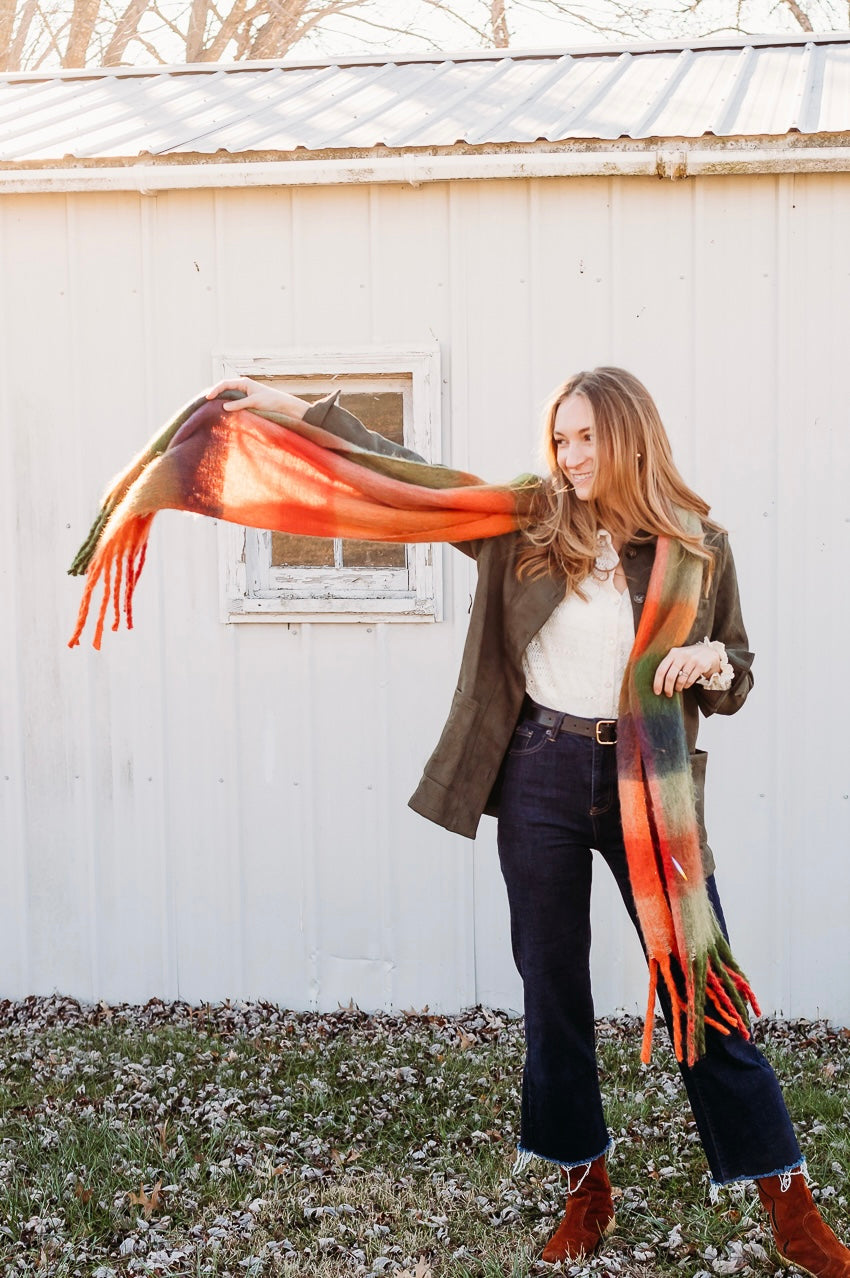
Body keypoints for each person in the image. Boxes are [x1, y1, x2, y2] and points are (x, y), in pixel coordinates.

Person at [207, 368, 850, 1277]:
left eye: (587, 437)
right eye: (561, 438)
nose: (571, 456)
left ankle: (787, 1199)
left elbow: (737, 672)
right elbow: (410, 479)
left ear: (632, 439)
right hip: (540, 771)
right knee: (553, 988)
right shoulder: (525, 517)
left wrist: (708, 657)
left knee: (699, 977)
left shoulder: (698, 545)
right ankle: (585, 1183)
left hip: (646, 782)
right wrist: (292, 410)